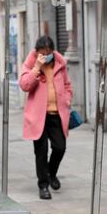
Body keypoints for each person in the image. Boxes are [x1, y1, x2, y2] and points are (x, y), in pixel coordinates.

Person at [19, 36, 73, 200]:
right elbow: (24, 85)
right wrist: (37, 68)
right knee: (41, 152)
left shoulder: (60, 63)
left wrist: (67, 98)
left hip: (57, 114)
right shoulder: (31, 63)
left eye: (49, 52)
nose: (46, 55)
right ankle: (43, 186)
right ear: (37, 52)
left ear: (53, 51)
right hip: (38, 117)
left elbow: (67, 85)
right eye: (43, 53)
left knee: (60, 148)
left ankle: (51, 173)